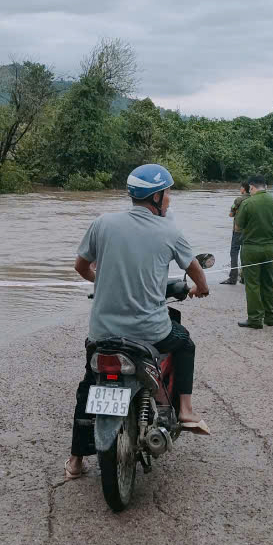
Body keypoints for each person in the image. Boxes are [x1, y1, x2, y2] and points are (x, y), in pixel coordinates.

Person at [66, 164, 211, 480]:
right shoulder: (169, 231)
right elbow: (195, 268)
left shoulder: (102, 223)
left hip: (102, 332)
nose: (169, 199)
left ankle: (76, 460)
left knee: (89, 384)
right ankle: (185, 410)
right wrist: (201, 288)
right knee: (185, 342)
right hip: (150, 332)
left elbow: (81, 267)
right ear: (156, 196)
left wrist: (102, 281)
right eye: (168, 193)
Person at [235, 175, 273, 329]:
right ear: (265, 186)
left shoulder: (247, 203)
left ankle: (255, 319)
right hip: (270, 248)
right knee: (269, 282)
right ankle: (270, 317)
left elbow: (237, 227)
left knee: (252, 284)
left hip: (251, 248)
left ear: (251, 187)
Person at [221, 181, 252, 285]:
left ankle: (233, 278)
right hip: (249, 231)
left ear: (243, 188)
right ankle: (244, 277)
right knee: (245, 253)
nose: (240, 189)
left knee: (234, 252)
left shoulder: (239, 199)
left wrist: (235, 212)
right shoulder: (253, 199)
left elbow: (231, 214)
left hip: (238, 230)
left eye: (240, 188)